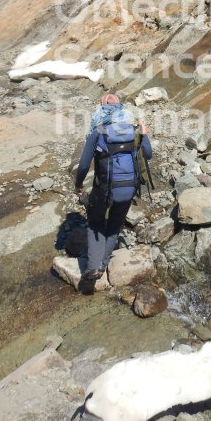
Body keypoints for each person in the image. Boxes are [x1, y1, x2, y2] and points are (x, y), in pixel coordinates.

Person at [74, 94, 152, 294]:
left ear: (100, 111)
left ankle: (94, 268)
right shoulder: (134, 131)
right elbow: (149, 155)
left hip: (104, 189)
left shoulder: (98, 131)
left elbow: (83, 165)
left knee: (95, 222)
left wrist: (78, 185)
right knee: (115, 224)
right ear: (122, 110)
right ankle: (103, 264)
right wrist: (145, 133)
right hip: (129, 188)